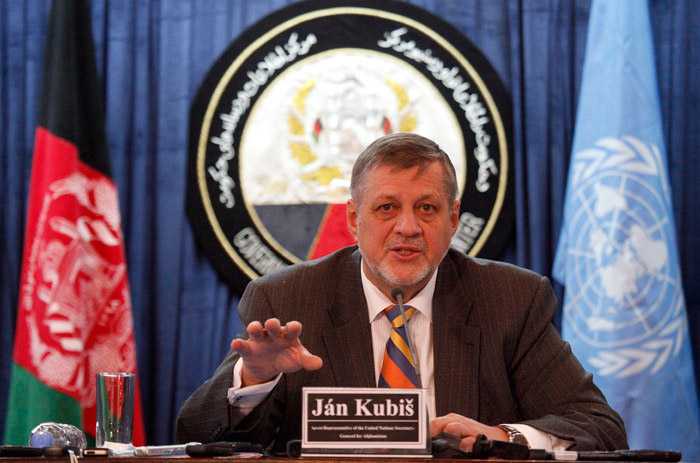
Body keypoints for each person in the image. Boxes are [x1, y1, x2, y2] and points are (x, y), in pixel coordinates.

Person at [176, 133, 627, 454]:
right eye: (387, 207)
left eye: (427, 208)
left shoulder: (511, 299)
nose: (407, 227)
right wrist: (254, 380)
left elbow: (599, 427)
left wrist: (502, 438)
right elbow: (195, 434)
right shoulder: (289, 300)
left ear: (453, 219)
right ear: (354, 219)